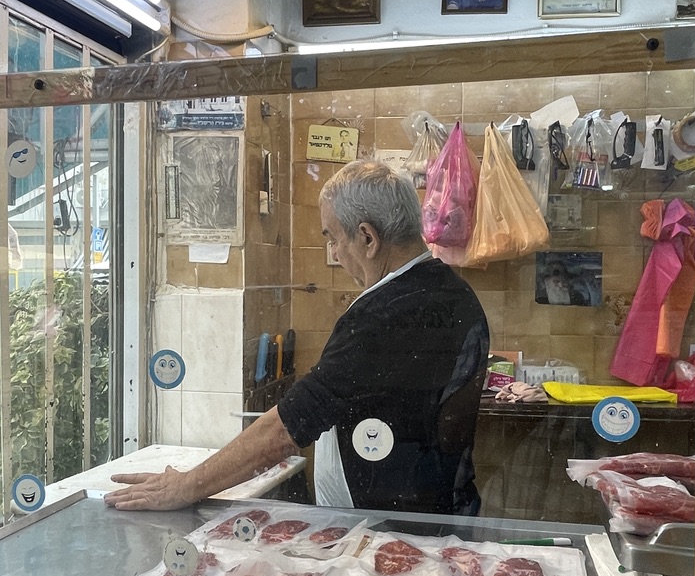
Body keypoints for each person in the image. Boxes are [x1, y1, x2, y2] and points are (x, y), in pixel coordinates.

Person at [105, 161, 490, 516]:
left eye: (334, 238)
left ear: (368, 239)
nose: (335, 253)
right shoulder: (455, 293)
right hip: (436, 511)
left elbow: (286, 429)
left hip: (396, 532)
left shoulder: (388, 314)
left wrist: (185, 487)